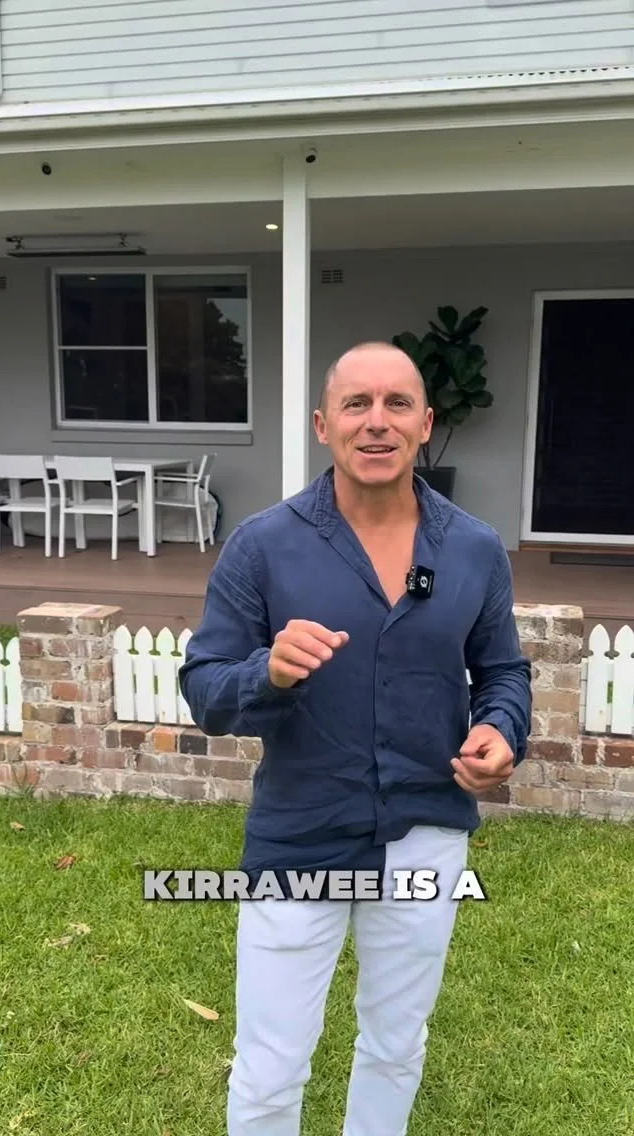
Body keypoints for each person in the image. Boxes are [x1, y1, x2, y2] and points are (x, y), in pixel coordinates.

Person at [179, 341, 532, 1136]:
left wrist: (499, 727)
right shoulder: (263, 546)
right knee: (270, 1066)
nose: (377, 422)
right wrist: (267, 673)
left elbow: (503, 670)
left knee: (396, 1045)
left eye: (397, 403)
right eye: (356, 404)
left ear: (425, 424)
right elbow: (205, 689)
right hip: (300, 831)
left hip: (425, 829)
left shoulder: (472, 549)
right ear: (322, 425)